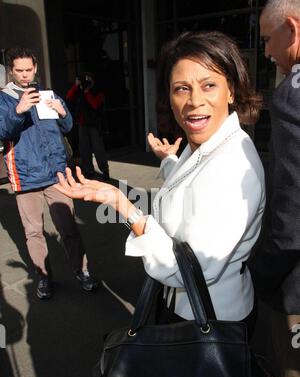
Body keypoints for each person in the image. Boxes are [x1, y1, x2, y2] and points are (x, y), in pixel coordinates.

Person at [56, 31, 265, 337]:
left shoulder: (232, 165)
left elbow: (186, 270)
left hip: (210, 322)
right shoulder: (210, 145)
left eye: (209, 85)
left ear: (231, 90)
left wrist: (121, 204)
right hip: (189, 308)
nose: (194, 101)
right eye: (182, 88)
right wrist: (169, 160)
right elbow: (192, 186)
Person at [0, 47, 98, 299]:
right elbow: (3, 131)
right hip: (25, 176)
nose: (24, 75)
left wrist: (63, 111)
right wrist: (18, 110)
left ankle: (82, 271)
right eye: (19, 70)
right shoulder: (4, 99)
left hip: (56, 174)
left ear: (35, 69)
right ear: (11, 70)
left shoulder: (48, 94)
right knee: (33, 232)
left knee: (69, 229)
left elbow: (66, 126)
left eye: (28, 70)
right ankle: (43, 278)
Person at [248, 0, 300, 377]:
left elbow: (291, 215)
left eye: (267, 39)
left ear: (293, 29)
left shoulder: (292, 97)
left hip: (296, 288)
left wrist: (262, 272)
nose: (266, 51)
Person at [66, 72, 110, 180]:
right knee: (84, 149)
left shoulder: (97, 91)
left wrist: (87, 92)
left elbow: (95, 105)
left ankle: (105, 171)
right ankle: (88, 170)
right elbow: (68, 97)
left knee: (98, 149)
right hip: (82, 124)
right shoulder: (80, 91)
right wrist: (76, 86)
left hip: (95, 125)